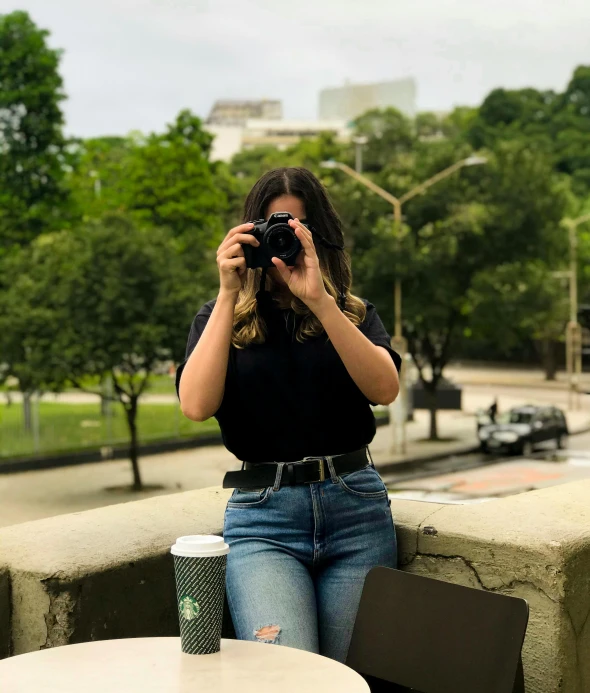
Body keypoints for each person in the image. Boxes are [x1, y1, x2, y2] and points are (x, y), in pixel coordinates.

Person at [176, 167, 401, 664]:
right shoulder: (219, 317)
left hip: (356, 514)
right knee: (288, 674)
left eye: (296, 232)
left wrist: (320, 301)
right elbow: (195, 405)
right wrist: (229, 290)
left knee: (352, 676)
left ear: (318, 239)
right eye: (271, 231)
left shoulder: (353, 314)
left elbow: (385, 389)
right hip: (262, 521)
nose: (282, 246)